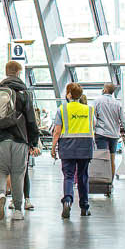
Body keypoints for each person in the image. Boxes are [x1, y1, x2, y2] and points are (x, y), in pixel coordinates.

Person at [0, 61, 39, 220]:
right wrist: (33, 142)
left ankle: (1, 194)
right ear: (18, 73)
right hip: (20, 140)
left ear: (6, 72)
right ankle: (18, 210)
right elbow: (31, 120)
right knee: (18, 173)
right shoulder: (24, 92)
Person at [52, 81, 95, 218]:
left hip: (67, 146)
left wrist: (53, 147)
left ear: (69, 94)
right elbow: (93, 124)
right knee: (83, 176)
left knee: (69, 175)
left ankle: (68, 201)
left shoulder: (62, 109)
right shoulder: (89, 109)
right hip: (85, 146)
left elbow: (57, 131)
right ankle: (84, 207)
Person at [92, 81, 125, 156]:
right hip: (114, 134)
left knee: (103, 158)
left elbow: (92, 118)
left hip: (101, 134)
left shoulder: (97, 101)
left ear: (105, 90)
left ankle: (105, 168)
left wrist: (92, 131)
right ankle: (112, 168)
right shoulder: (118, 104)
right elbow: (124, 121)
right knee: (112, 158)